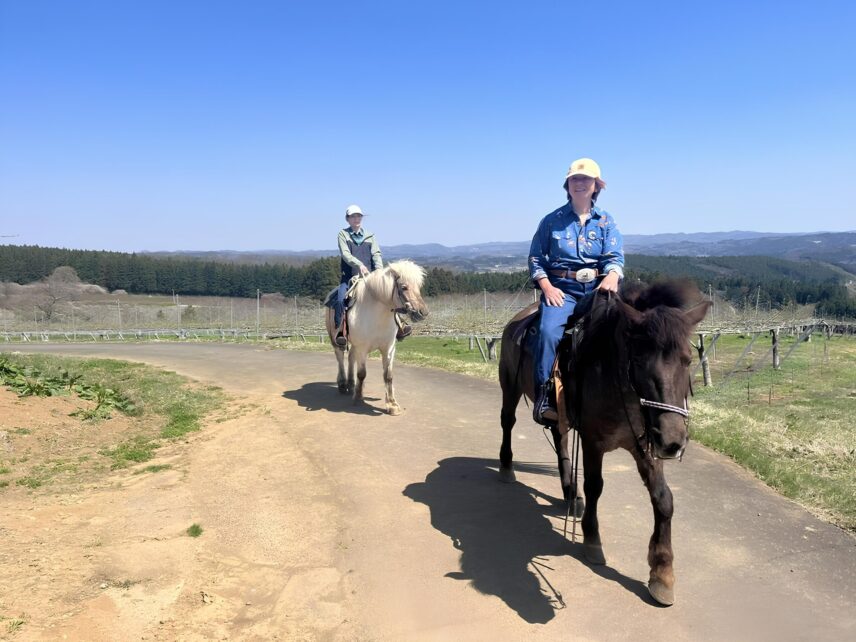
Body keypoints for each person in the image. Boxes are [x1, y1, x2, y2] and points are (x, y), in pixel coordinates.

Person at [528, 158, 624, 425]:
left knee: (625, 331)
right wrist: (546, 286)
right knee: (548, 333)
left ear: (596, 186)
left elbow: (614, 256)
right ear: (567, 186)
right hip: (562, 290)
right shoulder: (551, 221)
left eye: (586, 179)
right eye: (575, 179)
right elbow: (536, 258)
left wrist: (613, 275)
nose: (580, 183)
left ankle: (623, 390)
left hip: (597, 289)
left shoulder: (606, 221)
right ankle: (544, 395)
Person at [334, 204, 412, 347]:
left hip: (369, 278)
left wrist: (380, 273)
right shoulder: (343, 235)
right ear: (348, 219)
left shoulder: (370, 235)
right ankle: (341, 332)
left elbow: (376, 254)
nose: (356, 219)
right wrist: (359, 265)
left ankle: (400, 325)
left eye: (359, 216)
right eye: (353, 216)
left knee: (389, 296)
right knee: (340, 300)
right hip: (349, 277)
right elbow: (345, 254)